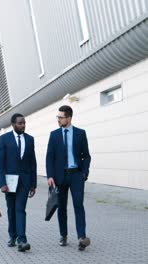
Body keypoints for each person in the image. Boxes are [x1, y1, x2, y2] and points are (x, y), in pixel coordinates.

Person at [46, 105, 91, 251]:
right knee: (62, 208)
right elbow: (49, 157)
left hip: (76, 175)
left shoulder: (80, 133)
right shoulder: (54, 135)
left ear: (69, 118)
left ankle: (81, 237)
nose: (58, 120)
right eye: (57, 117)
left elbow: (86, 156)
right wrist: (50, 176)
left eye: (61, 117)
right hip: (60, 177)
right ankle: (63, 235)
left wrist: (84, 173)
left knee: (79, 206)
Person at [0, 113, 37, 252]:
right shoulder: (4, 139)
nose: (23, 125)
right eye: (20, 123)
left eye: (24, 123)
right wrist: (2, 183)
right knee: (11, 209)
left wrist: (33, 184)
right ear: (13, 124)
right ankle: (12, 236)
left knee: (20, 209)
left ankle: (22, 240)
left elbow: (33, 163)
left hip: (25, 182)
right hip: (10, 182)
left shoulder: (30, 139)